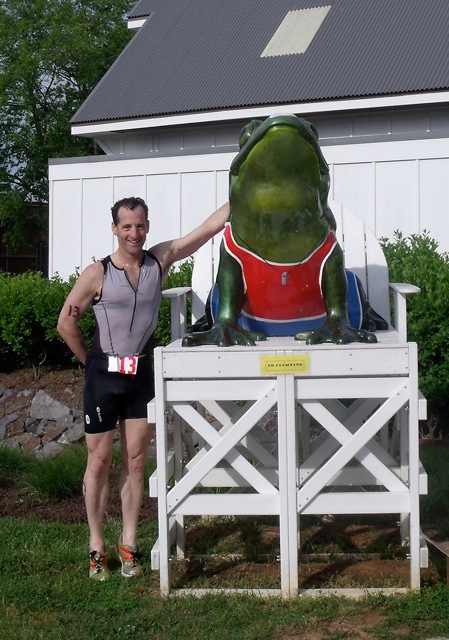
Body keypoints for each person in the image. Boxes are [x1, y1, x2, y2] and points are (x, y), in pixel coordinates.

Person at [57, 196, 229, 581]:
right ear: (115, 229)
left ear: (147, 227)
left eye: (140, 225)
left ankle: (129, 543)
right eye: (127, 226)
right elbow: (65, 324)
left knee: (136, 462)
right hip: (103, 375)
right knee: (99, 462)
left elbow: (207, 229)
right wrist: (91, 364)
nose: (134, 233)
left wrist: (247, 184)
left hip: (141, 376)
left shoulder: (159, 260)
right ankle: (97, 546)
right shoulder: (97, 273)